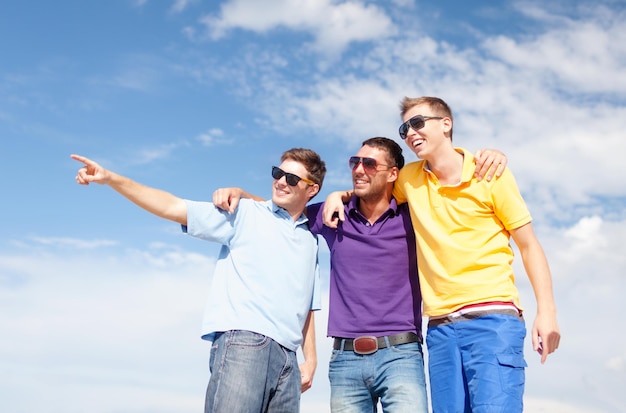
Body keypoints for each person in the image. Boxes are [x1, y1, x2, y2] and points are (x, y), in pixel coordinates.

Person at [213, 138, 507, 413]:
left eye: (369, 164)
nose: (358, 169)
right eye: (356, 161)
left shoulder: (414, 216)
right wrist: (242, 195)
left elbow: (450, 186)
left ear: (393, 174)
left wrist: (491, 156)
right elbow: (285, 206)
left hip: (402, 355)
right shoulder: (332, 215)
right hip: (344, 360)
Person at [324, 96, 561, 413]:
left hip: (493, 321)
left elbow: (529, 245)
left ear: (446, 124)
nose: (410, 133)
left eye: (418, 123)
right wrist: (336, 194)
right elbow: (371, 187)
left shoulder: (491, 174)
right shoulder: (409, 179)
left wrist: (547, 313)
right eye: (404, 127)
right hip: (440, 330)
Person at [71, 148, 327, 413]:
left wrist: (311, 359)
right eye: (278, 173)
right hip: (245, 345)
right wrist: (112, 178)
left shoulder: (310, 241)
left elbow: (307, 302)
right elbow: (172, 207)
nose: (281, 181)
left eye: (292, 179)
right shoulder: (245, 214)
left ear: (312, 190)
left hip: (288, 359)